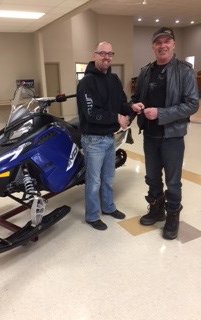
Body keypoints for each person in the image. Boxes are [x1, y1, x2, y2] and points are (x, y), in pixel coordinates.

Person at [131, 27, 199, 239]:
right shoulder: (145, 71)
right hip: (150, 135)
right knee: (152, 177)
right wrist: (134, 108)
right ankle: (156, 209)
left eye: (166, 42)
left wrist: (161, 113)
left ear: (173, 45)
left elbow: (192, 104)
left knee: (173, 180)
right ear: (153, 47)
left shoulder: (184, 71)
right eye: (158, 42)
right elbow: (136, 98)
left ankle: (172, 216)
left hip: (172, 136)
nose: (162, 46)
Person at [76, 41, 132, 230]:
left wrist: (131, 109)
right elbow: (92, 113)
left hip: (109, 137)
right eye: (102, 53)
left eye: (110, 53)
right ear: (94, 55)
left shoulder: (114, 79)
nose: (107, 57)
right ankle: (92, 216)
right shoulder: (86, 83)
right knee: (94, 182)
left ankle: (108, 207)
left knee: (108, 177)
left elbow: (122, 103)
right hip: (93, 140)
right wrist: (117, 118)